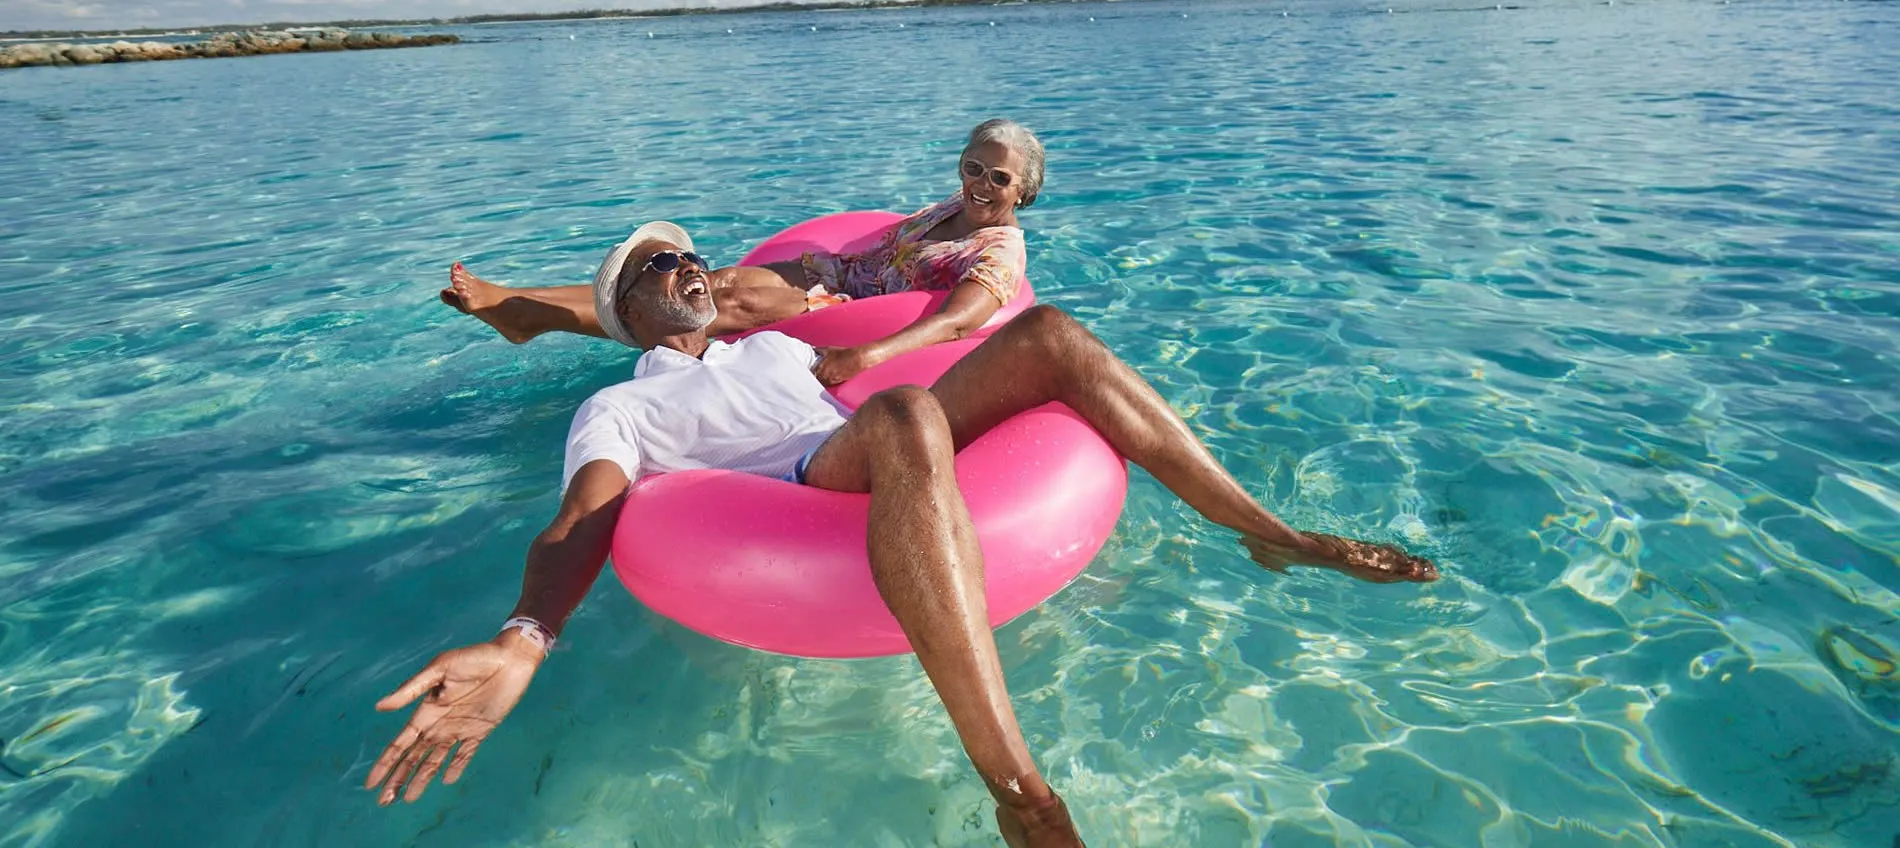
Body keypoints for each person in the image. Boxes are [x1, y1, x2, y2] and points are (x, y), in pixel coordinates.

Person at [367, 223, 1439, 847]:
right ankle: (1021, 792)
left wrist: (956, 261)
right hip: (797, 486)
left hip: (853, 434)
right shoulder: (622, 404)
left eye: (691, 253)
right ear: (626, 313)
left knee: (1049, 333)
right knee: (903, 416)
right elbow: (581, 518)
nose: (686, 264)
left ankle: (1274, 534)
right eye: (658, 266)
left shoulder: (777, 347)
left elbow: (886, 312)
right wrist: (524, 637)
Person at [438, 118, 1044, 386]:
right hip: (837, 274)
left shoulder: (999, 249)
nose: (980, 184)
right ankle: (523, 306)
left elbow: (959, 321)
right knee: (716, 280)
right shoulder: (956, 205)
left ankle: (530, 315)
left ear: (1024, 190)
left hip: (857, 312)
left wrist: (866, 354)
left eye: (999, 179)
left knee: (717, 305)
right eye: (973, 167)